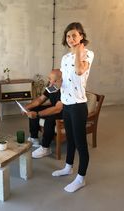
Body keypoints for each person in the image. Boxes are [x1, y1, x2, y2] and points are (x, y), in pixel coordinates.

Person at [52, 22, 94, 193]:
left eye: (74, 35)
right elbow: (64, 81)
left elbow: (78, 71)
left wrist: (78, 52)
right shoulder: (64, 58)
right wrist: (55, 83)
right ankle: (68, 167)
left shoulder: (88, 54)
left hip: (78, 106)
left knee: (80, 143)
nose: (70, 39)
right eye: (68, 36)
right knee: (69, 138)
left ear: (81, 36)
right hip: (67, 104)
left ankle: (81, 178)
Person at [24, 69, 63, 159]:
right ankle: (34, 138)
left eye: (50, 78)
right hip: (54, 108)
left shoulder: (64, 90)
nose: (48, 80)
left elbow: (57, 109)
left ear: (57, 80)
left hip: (63, 111)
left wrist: (37, 114)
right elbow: (40, 100)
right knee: (33, 108)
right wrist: (28, 107)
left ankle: (46, 148)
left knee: (50, 119)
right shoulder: (53, 87)